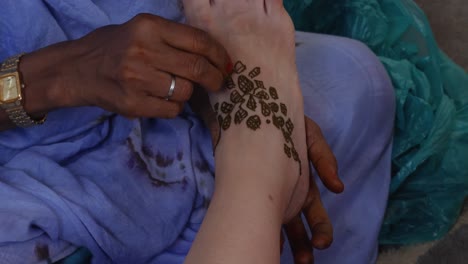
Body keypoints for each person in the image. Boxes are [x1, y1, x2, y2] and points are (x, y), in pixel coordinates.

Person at [0, 0, 395, 263]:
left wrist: (207, 87)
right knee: (255, 190)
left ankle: (252, 179)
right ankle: (255, 177)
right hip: (15, 181)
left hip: (146, 127)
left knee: (352, 80)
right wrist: (55, 76)